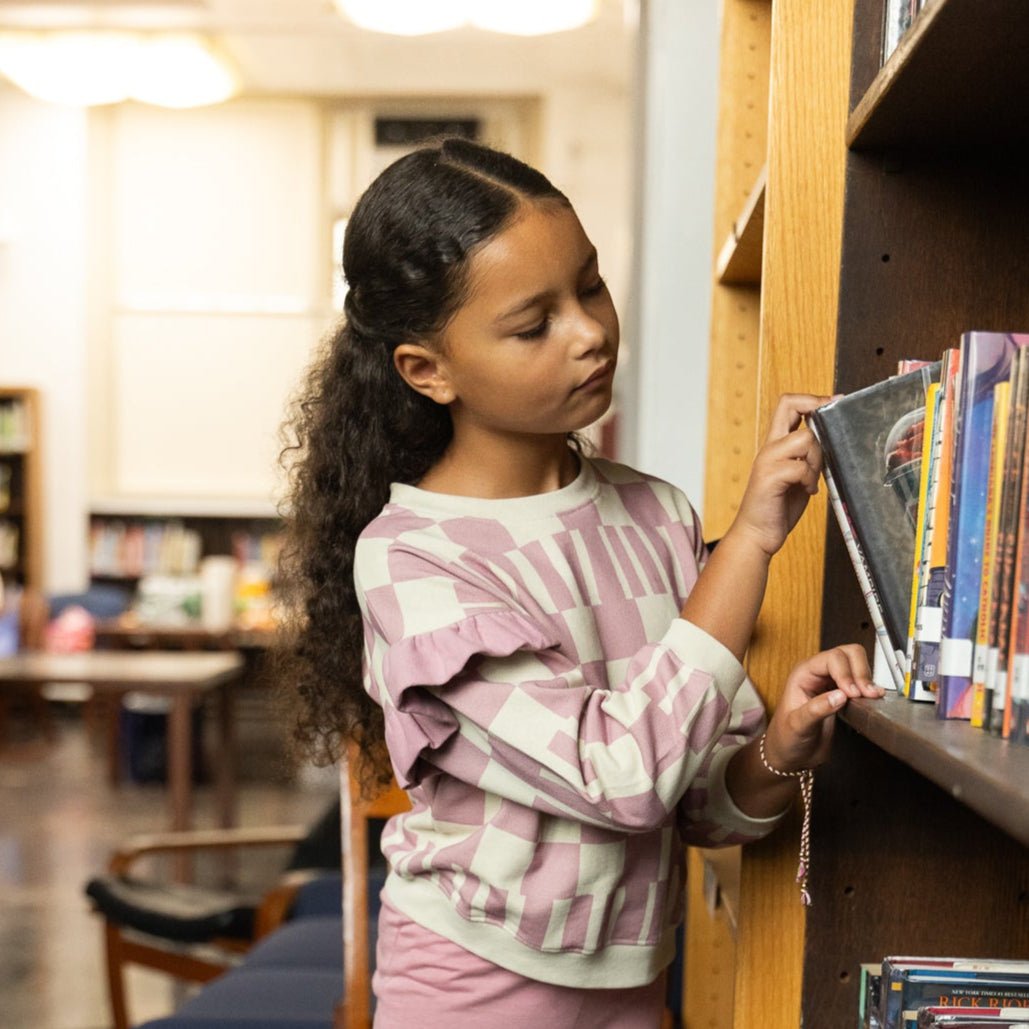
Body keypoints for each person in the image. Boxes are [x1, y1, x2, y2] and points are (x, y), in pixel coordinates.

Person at [277, 137, 884, 1029]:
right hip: (474, 986)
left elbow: (692, 803)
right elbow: (621, 772)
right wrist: (750, 540)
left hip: (636, 983)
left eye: (589, 284)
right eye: (533, 324)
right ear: (426, 369)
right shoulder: (413, 561)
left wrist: (776, 753)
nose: (590, 331)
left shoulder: (654, 515)